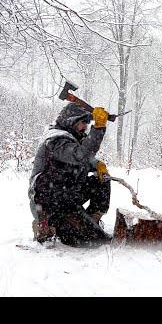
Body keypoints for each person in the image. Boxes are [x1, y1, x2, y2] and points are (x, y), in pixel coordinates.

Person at [28, 102, 112, 247]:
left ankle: (92, 219)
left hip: (67, 197)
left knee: (102, 180)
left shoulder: (72, 137)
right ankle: (46, 226)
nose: (85, 127)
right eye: (82, 122)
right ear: (70, 121)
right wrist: (98, 128)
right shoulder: (56, 140)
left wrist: (97, 165)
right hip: (50, 203)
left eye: (87, 123)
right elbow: (79, 156)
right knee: (88, 241)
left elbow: (81, 157)